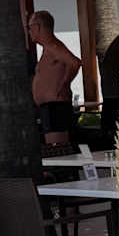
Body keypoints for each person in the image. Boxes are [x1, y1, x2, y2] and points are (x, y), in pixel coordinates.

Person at [28, 10, 80, 151]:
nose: (29, 31)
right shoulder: (48, 48)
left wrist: (64, 83)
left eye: (30, 27)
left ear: (38, 27)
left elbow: (74, 62)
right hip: (49, 108)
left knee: (58, 151)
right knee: (55, 150)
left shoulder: (54, 46)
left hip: (55, 107)